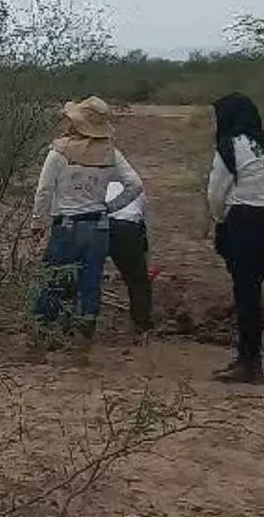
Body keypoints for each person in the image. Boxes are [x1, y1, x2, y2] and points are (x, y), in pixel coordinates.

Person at [30, 97, 143, 346]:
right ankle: (83, 336)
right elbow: (135, 184)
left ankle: (43, 333)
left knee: (55, 280)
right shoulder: (111, 153)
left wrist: (38, 222)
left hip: (67, 225)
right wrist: (110, 207)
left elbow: (44, 191)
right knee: (91, 281)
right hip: (98, 226)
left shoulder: (59, 152)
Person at [206, 92, 264, 385]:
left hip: (246, 222)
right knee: (250, 290)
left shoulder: (229, 146)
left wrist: (220, 223)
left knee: (246, 294)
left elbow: (216, 193)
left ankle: (250, 363)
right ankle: (248, 358)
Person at [105, 182, 153, 336]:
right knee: (138, 281)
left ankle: (78, 325)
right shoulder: (135, 186)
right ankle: (142, 324)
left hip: (99, 225)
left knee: (85, 275)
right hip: (128, 227)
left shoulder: (96, 182)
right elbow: (141, 221)